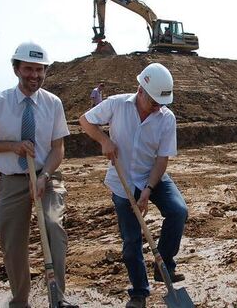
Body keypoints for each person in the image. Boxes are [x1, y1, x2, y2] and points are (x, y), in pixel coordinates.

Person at [0, 42, 73, 308]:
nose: (34, 76)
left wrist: (45, 176)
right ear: (16, 69)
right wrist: (12, 146)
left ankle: (57, 297)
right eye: (28, 69)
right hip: (12, 180)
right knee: (13, 243)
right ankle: (20, 301)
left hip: (47, 177)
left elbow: (58, 148)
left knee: (53, 227)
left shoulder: (53, 103)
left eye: (40, 70)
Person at [79, 63, 188, 308]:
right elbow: (85, 121)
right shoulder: (117, 104)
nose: (157, 107)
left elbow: (162, 159)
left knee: (178, 211)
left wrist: (148, 190)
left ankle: (164, 266)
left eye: (161, 103)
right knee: (131, 241)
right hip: (123, 181)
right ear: (141, 90)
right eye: (154, 102)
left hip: (153, 175)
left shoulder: (166, 118)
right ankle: (139, 292)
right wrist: (104, 140)